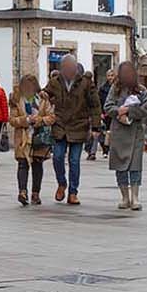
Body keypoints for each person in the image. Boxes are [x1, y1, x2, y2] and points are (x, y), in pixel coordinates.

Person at [43, 55, 102, 205]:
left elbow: (95, 105)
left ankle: (73, 192)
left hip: (78, 125)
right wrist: (43, 95)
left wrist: (96, 126)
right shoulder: (55, 82)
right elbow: (45, 93)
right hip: (60, 125)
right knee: (57, 157)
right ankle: (62, 183)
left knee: (74, 161)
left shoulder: (86, 83)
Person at [104, 61, 147, 210]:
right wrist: (118, 111)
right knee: (121, 166)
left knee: (135, 166)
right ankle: (125, 197)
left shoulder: (141, 90)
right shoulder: (115, 89)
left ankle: (135, 197)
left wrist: (129, 111)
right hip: (119, 132)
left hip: (136, 132)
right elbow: (108, 107)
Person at [8, 74, 56, 205]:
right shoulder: (16, 99)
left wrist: (39, 120)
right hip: (23, 138)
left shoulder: (42, 99)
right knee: (22, 164)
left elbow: (51, 117)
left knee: (37, 164)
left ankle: (36, 193)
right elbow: (12, 120)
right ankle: (22, 192)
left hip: (38, 137)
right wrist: (26, 120)